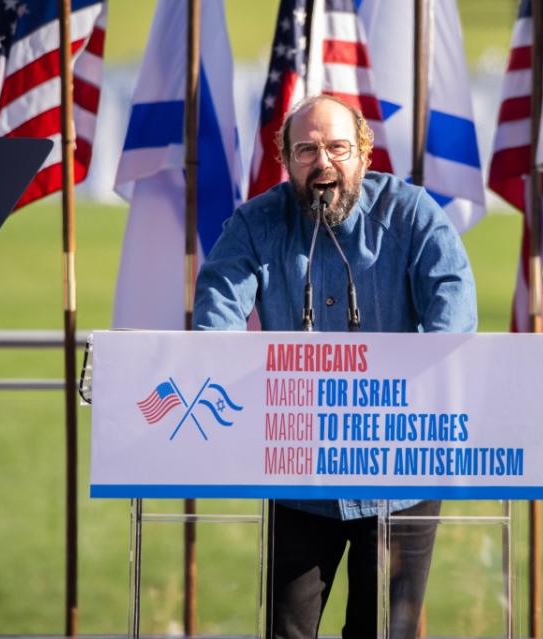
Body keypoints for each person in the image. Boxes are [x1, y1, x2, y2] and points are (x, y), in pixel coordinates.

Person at [193, 94, 477, 639]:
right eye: (306, 150)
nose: (323, 163)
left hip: (401, 468)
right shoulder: (255, 224)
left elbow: (454, 319)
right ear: (287, 159)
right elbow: (216, 319)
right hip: (299, 469)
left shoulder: (412, 213)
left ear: (364, 155)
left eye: (337, 148)